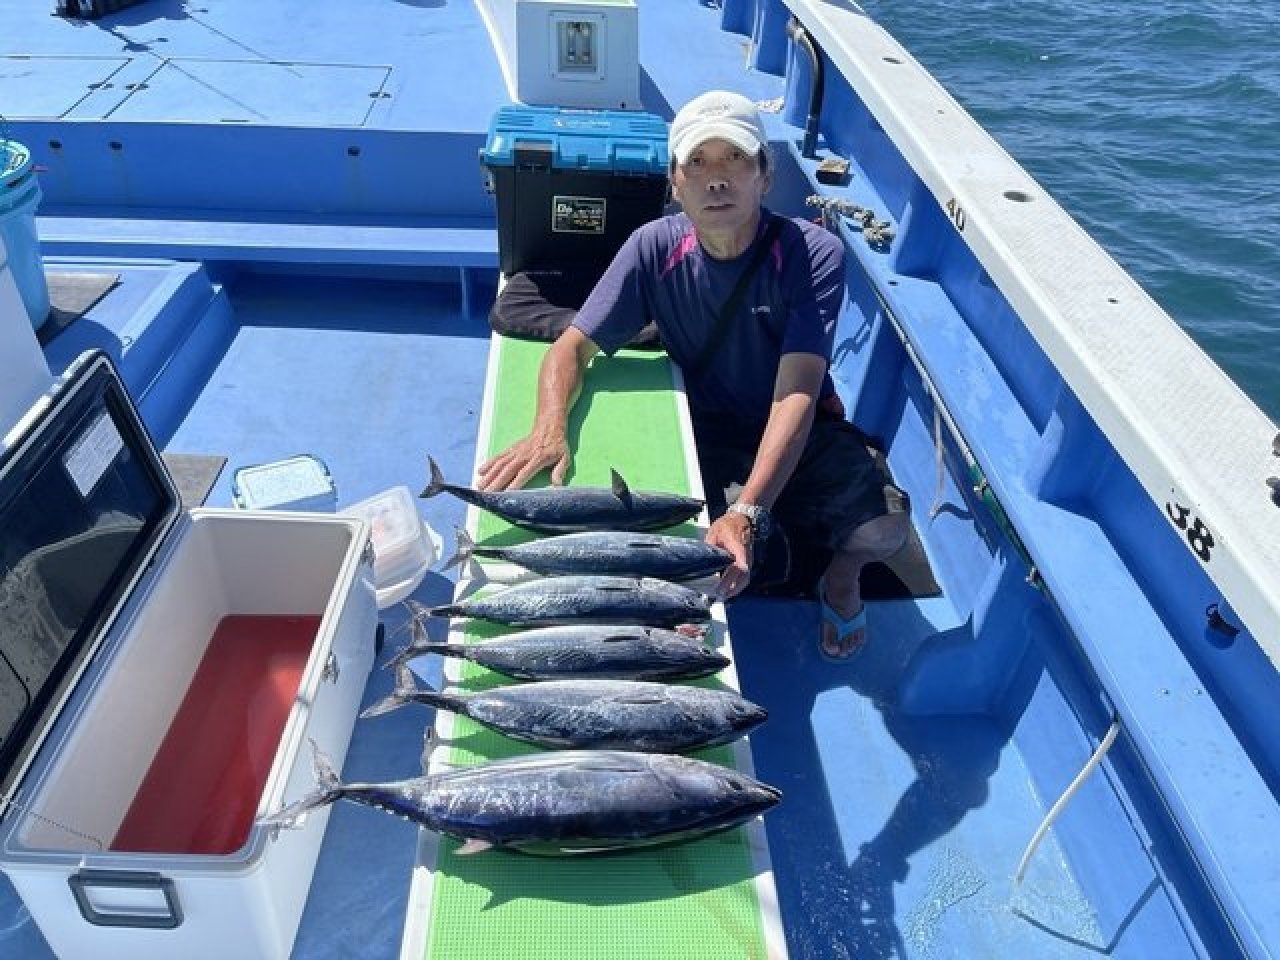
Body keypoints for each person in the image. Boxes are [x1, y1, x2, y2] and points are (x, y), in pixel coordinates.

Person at [477, 90, 909, 660]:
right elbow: (571, 348)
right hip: (702, 422)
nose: (717, 179)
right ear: (675, 183)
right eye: (697, 163)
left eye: (734, 159)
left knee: (885, 533)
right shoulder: (652, 247)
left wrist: (748, 511)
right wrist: (548, 427)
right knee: (663, 553)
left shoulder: (813, 252)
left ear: (765, 175)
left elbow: (797, 392)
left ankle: (840, 574)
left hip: (792, 423)